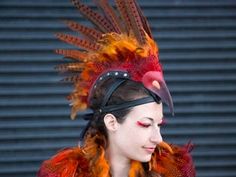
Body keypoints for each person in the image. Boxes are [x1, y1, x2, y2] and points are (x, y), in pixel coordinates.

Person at [37, 0, 196, 176]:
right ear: (111, 122)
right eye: (145, 124)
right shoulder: (66, 173)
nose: (158, 139)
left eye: (158, 125)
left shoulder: (173, 171)